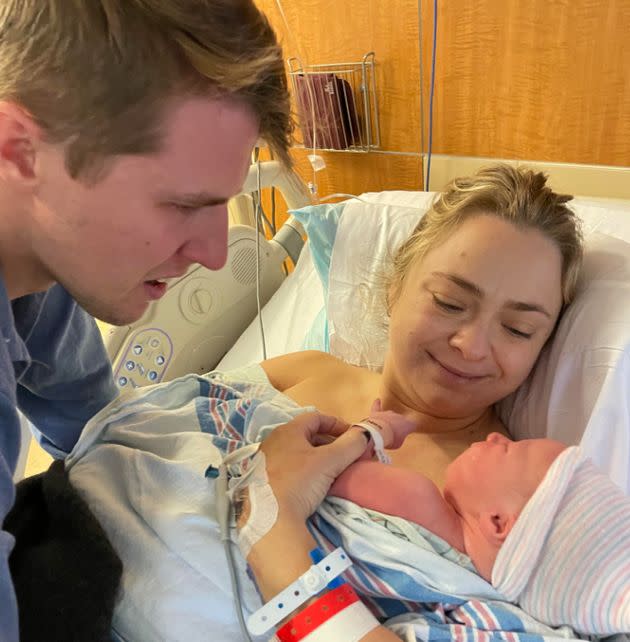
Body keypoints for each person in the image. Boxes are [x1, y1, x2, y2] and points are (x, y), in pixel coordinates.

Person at [0, 1, 292, 639]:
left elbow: (97, 424)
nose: (216, 254)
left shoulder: (40, 279)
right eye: (183, 204)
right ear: (19, 149)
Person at [241, 164, 586, 640]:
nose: (472, 345)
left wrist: (273, 524)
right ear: (393, 287)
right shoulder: (303, 370)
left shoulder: (509, 504)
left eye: (517, 330)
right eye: (449, 302)